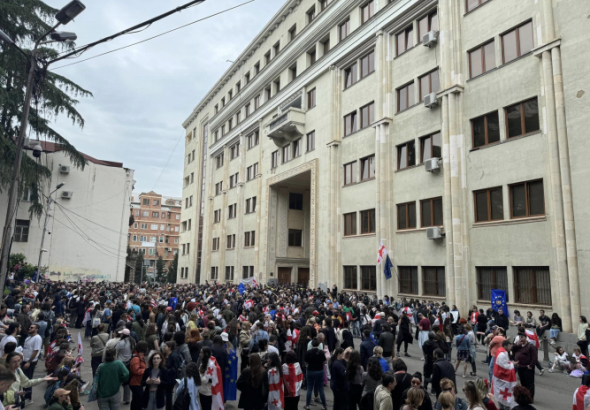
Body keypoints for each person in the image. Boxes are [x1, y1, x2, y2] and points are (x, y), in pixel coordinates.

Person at [511, 333, 537, 399]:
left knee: (529, 383)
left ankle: (530, 397)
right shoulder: (518, 345)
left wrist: (531, 365)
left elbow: (534, 357)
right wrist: (516, 345)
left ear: (525, 338)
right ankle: (525, 396)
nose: (521, 339)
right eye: (520, 337)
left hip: (527, 368)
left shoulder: (530, 346)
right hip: (520, 367)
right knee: (523, 383)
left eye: (522, 337)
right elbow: (512, 349)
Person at [22, 322, 42, 403]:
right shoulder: (28, 338)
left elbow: (36, 350)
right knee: (23, 379)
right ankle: (24, 395)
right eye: (30, 327)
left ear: (36, 330)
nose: (30, 328)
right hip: (24, 360)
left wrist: (29, 362)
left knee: (28, 380)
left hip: (30, 362)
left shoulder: (37, 338)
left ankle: (28, 398)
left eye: (32, 327)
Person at [304, 338, 327, 410]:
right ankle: (324, 405)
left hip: (310, 370)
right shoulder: (321, 352)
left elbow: (305, 361)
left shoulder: (308, 352)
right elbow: (325, 362)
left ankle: (307, 405)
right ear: (319, 344)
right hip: (319, 371)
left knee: (309, 388)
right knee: (321, 389)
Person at [129, 341, 148, 410]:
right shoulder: (136, 358)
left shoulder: (139, 357)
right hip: (135, 383)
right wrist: (145, 371)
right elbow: (135, 370)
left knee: (136, 400)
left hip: (138, 382)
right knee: (138, 401)